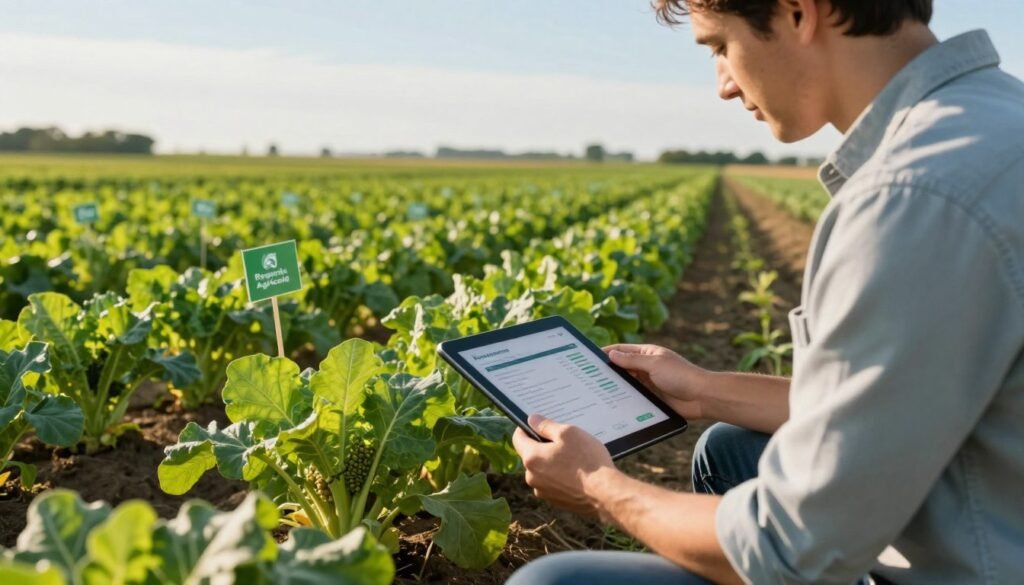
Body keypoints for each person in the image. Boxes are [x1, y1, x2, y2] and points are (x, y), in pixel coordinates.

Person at [507, 0, 1024, 583]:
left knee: (548, 583)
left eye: (720, 46)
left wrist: (599, 487)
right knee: (729, 447)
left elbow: (795, 550)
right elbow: (902, 394)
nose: (724, 85)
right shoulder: (997, 117)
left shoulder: (914, 198)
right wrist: (705, 392)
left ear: (799, 14)